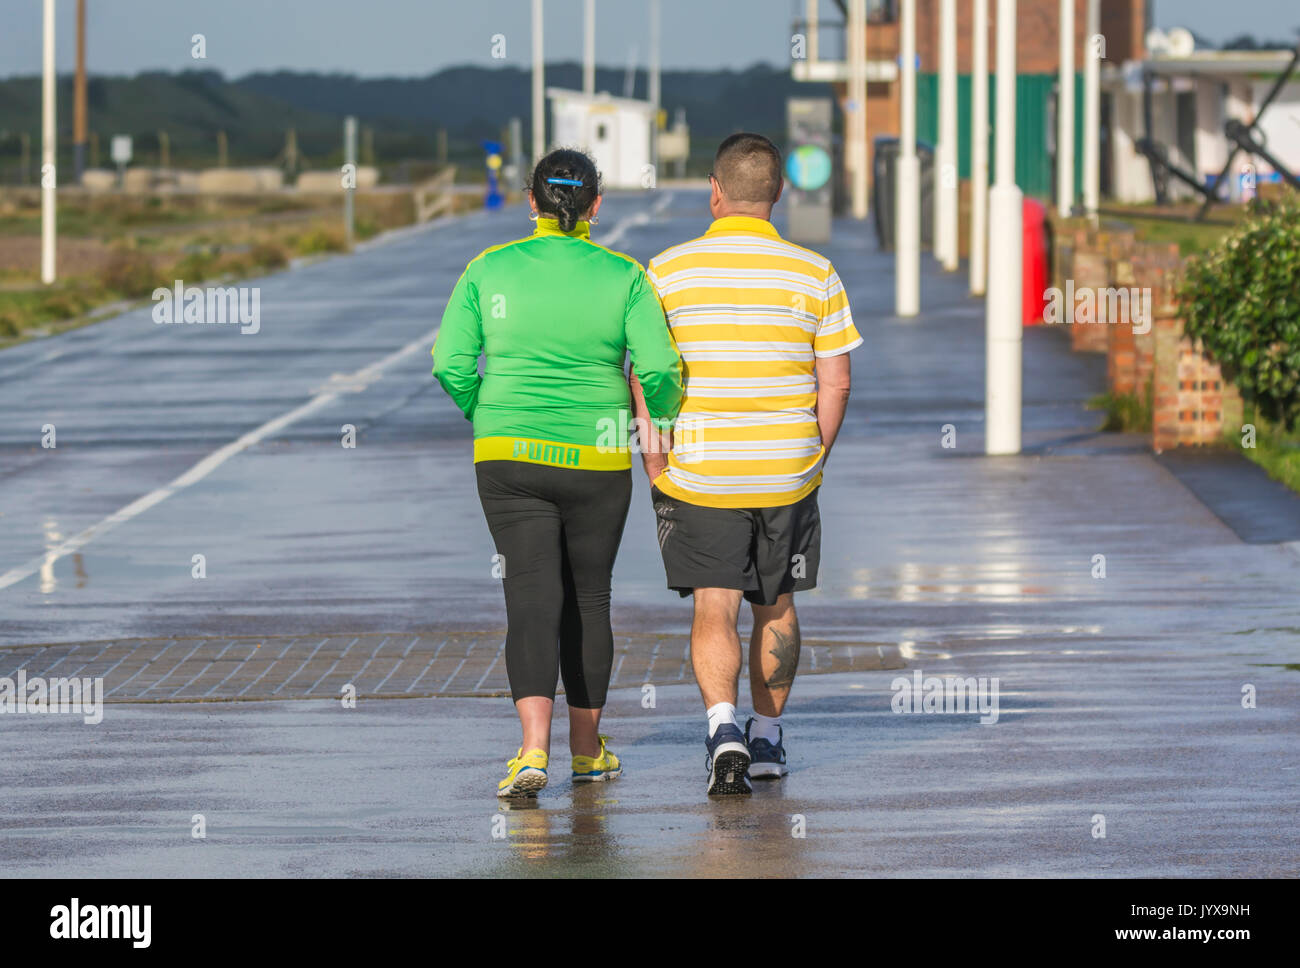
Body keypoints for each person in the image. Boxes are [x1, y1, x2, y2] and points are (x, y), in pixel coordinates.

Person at [433, 148, 683, 798]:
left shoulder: (487, 270)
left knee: (530, 596)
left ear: (531, 202)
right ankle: (587, 751)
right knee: (590, 598)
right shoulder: (627, 277)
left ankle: (530, 751)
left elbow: (450, 363)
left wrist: (488, 414)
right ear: (596, 206)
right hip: (598, 454)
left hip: (508, 456)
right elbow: (658, 370)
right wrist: (664, 420)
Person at [631, 133, 861, 796]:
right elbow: (836, 381)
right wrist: (812, 455)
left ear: (714, 191)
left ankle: (721, 727)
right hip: (786, 469)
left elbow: (649, 372)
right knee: (777, 603)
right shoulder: (816, 273)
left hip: (700, 472)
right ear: (778, 195)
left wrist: (654, 449)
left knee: (715, 603)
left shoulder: (666, 272)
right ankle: (766, 738)